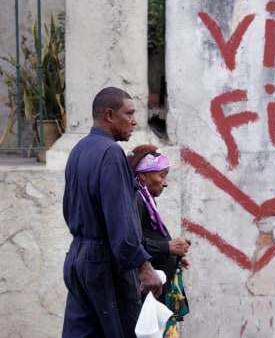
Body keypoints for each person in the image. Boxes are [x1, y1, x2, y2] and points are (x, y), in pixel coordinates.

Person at [62, 87, 163, 338]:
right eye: (128, 113)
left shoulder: (79, 149)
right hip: (104, 263)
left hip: (77, 259)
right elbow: (120, 221)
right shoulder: (111, 153)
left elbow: (69, 209)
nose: (135, 121)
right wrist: (144, 266)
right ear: (109, 115)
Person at [127, 144, 191, 305]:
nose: (165, 183)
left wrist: (172, 256)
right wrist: (167, 248)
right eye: (162, 176)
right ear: (143, 175)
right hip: (148, 294)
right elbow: (131, 242)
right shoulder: (137, 200)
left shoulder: (146, 200)